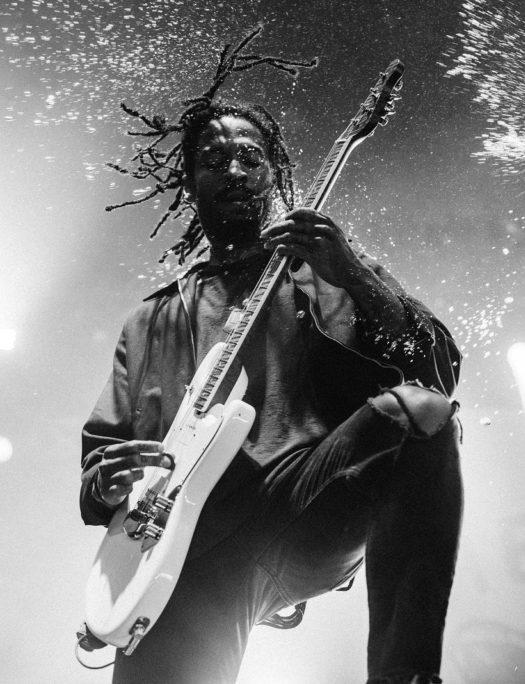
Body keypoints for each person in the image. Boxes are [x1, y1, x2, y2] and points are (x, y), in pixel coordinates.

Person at [78, 33, 462, 684]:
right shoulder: (153, 321)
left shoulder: (322, 271)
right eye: (213, 158)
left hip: (300, 507)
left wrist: (351, 273)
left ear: (273, 173)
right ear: (189, 179)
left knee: (420, 415)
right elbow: (99, 473)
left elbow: (435, 369)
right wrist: (107, 481)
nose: (232, 170)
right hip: (186, 549)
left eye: (249, 157)